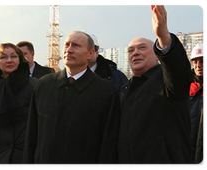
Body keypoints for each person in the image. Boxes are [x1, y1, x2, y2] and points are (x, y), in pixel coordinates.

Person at [22, 31, 120, 164]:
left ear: (90, 53)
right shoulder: (44, 85)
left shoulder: (106, 91)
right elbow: (32, 135)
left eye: (76, 46)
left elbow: (109, 143)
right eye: (66, 45)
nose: (69, 50)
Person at [118, 3, 192, 164]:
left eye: (142, 48)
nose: (135, 53)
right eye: (130, 50)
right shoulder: (124, 89)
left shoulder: (165, 79)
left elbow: (179, 74)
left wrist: (164, 37)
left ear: (157, 55)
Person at [0, 43, 38, 164]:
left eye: (14, 56)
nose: (9, 60)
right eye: (3, 57)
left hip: (24, 156)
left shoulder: (34, 85)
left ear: (20, 60)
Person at [189, 43, 204, 164]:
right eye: (195, 62)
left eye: (202, 61)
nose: (198, 65)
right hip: (187, 148)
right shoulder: (186, 85)